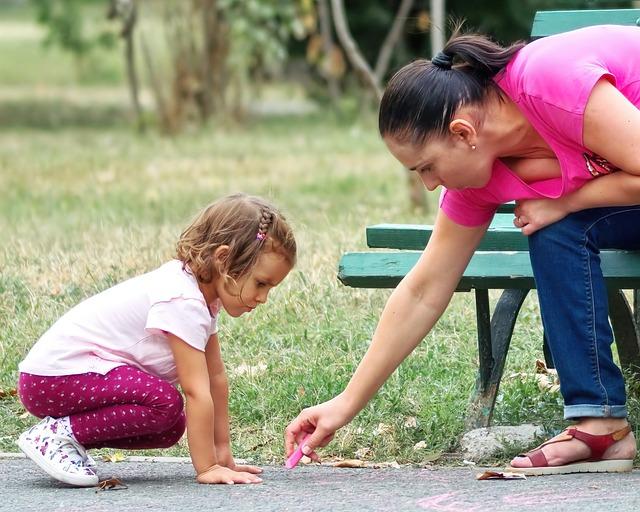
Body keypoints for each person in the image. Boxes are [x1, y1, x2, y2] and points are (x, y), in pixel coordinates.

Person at [286, 24, 640, 476]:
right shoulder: (479, 178)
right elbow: (424, 288)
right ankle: (600, 427)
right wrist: (345, 403)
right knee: (551, 228)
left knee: (555, 218)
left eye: (427, 166)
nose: (428, 183)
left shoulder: (550, 82)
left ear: (462, 131)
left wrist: (567, 200)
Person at [17, 193, 296, 486]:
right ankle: (53, 436)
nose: (263, 297)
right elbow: (196, 391)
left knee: (170, 425)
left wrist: (223, 454)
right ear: (224, 260)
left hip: (65, 378)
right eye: (261, 283)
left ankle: (66, 439)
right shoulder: (182, 300)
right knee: (164, 402)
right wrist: (207, 468)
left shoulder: (201, 297)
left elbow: (216, 379)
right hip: (50, 379)